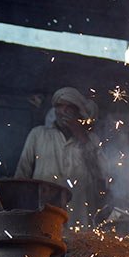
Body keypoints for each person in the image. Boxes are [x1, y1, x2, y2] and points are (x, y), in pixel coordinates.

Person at [15, 86, 105, 226]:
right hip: (43, 215)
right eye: (59, 106)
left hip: (79, 216)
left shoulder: (91, 140)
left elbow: (102, 175)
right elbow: (21, 176)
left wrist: (80, 134)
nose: (63, 111)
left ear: (78, 111)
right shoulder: (38, 135)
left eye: (68, 107)